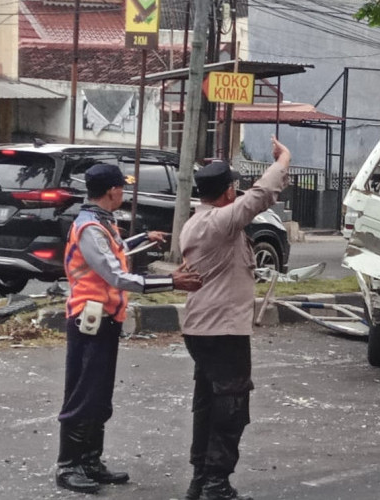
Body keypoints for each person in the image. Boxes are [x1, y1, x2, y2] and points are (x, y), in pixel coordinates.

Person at [55, 163, 202, 494]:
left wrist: (142, 238)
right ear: (112, 191)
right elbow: (115, 274)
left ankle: (91, 461)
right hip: (88, 318)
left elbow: (115, 252)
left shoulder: (101, 223)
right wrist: (171, 281)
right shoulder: (90, 229)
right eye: (122, 187)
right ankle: (69, 466)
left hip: (106, 318)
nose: (124, 192)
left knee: (99, 394)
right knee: (83, 392)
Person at [179, 136, 290, 500]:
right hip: (222, 330)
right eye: (234, 187)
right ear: (227, 192)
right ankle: (216, 483)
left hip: (204, 327)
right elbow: (259, 197)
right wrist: (282, 161)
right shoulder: (218, 223)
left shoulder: (198, 222)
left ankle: (201, 478)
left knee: (208, 403)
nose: (238, 191)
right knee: (231, 406)